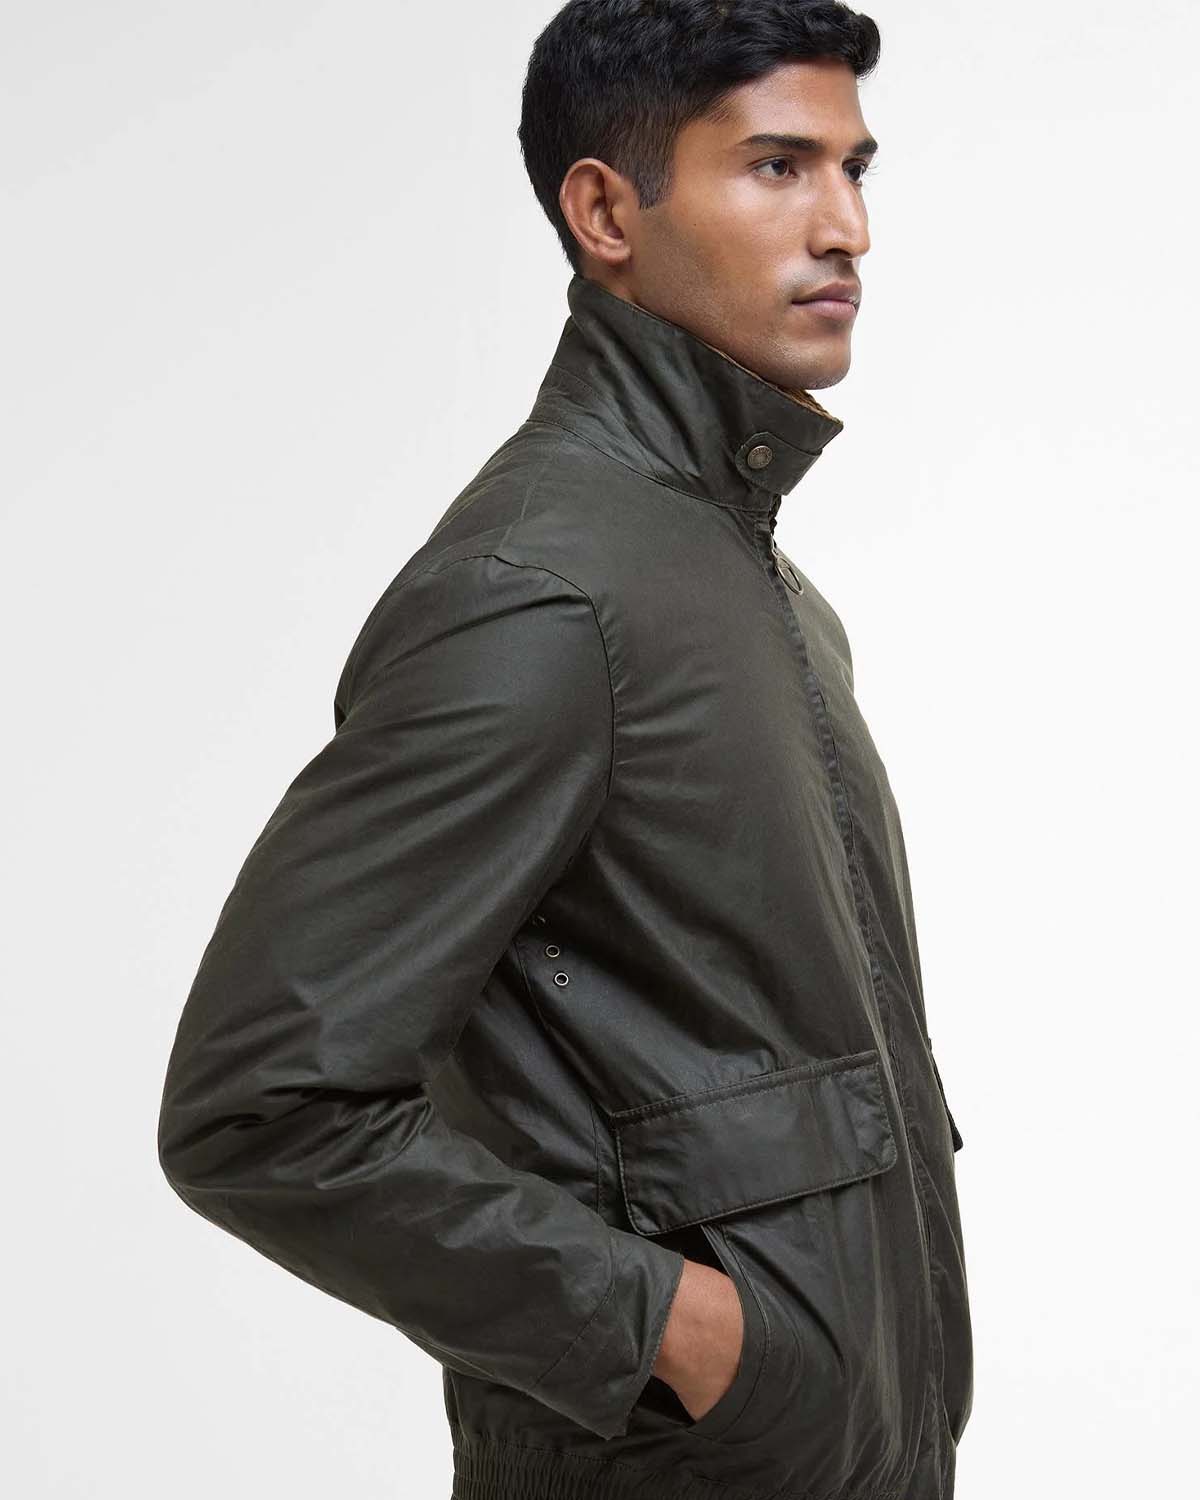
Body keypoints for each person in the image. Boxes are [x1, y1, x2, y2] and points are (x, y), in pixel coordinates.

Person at [157, 3, 973, 1498]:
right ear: (605, 211)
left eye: (855, 167)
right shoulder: (539, 593)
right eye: (777, 167)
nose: (846, 227)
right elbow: (262, 1106)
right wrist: (683, 1337)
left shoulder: (762, 589)